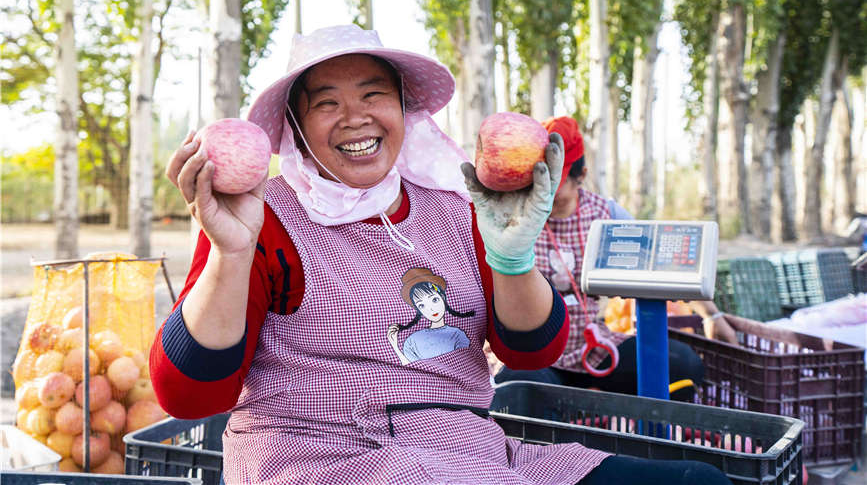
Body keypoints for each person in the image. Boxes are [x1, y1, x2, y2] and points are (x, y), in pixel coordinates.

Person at [151, 25, 731, 485]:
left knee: (698, 479)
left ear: (404, 110)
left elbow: (531, 351)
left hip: (465, 450)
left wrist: (512, 258)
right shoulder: (262, 219)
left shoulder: (456, 207)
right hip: (316, 458)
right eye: (326, 103)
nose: (355, 117)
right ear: (296, 130)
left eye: (373, 94)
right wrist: (230, 255)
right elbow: (188, 395)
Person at [495, 116, 738, 400]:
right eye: (540, 182)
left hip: (596, 347)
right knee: (517, 388)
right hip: (540, 353)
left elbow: (663, 262)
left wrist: (713, 315)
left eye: (555, 185)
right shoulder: (517, 218)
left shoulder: (605, 214)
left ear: (581, 175)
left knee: (683, 364)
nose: (545, 194)